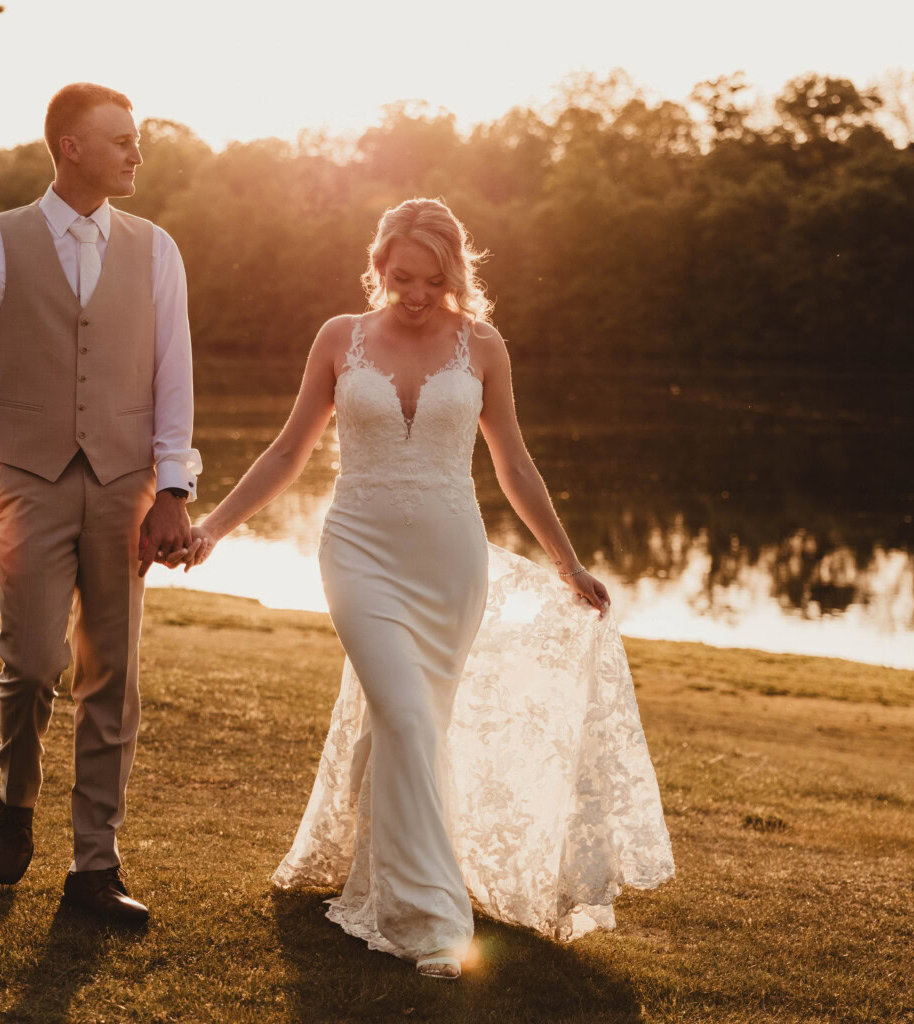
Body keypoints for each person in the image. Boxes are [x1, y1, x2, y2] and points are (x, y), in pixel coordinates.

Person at [184, 198, 673, 979]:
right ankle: (435, 925)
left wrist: (567, 561)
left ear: (454, 274)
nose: (415, 292)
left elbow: (513, 463)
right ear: (377, 267)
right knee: (408, 716)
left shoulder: (480, 346)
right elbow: (286, 452)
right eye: (401, 276)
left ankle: (377, 869)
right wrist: (213, 527)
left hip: (451, 561)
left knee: (415, 725)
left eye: (433, 278)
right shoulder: (337, 339)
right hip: (358, 550)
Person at [0, 82, 202, 925]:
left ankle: (95, 866)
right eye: (121, 139)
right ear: (72, 146)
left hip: (126, 485)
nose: (136, 153)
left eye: (137, 139)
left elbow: (173, 379)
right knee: (33, 662)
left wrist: (175, 487)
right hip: (28, 481)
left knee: (112, 675)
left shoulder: (156, 249)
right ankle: (17, 797)